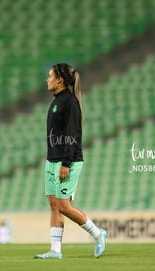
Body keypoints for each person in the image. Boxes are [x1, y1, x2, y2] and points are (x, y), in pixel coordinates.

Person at [34, 63, 106, 259]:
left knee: (64, 206)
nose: (47, 79)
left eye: (50, 76)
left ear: (60, 80)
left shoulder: (70, 102)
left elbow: (73, 134)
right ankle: (55, 250)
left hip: (67, 161)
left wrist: (66, 163)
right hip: (52, 160)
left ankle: (98, 234)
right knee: (54, 205)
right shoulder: (57, 101)